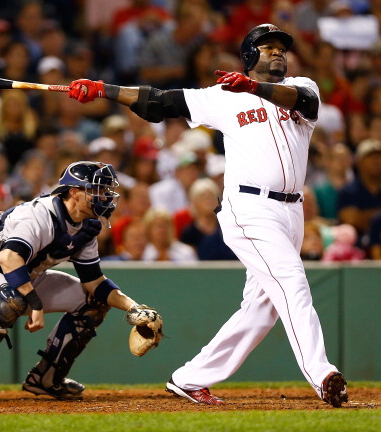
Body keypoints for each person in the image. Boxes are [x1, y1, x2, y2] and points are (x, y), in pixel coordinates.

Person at [67, 23, 348, 407]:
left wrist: (253, 88)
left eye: (282, 47)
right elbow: (159, 101)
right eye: (267, 47)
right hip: (249, 208)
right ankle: (323, 374)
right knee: (291, 281)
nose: (278, 52)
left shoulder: (302, 86)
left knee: (261, 308)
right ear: (249, 57)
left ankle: (190, 378)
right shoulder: (225, 97)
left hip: (292, 211)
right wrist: (104, 90)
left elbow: (303, 102)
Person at [0, 161, 161, 401]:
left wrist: (135, 308)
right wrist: (36, 303)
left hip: (21, 277)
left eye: (105, 191)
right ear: (74, 192)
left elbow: (94, 282)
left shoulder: (87, 226)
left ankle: (47, 378)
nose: (105, 197)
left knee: (92, 302)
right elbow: (9, 257)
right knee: (11, 299)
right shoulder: (40, 214)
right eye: (97, 190)